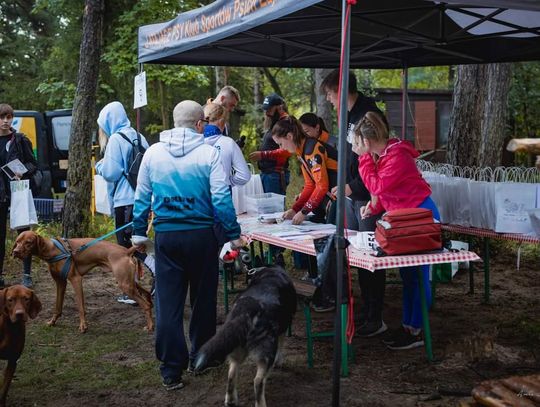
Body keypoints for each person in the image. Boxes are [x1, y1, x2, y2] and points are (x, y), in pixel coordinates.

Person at [131, 100, 246, 391]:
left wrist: (138, 234)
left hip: (168, 236)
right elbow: (221, 199)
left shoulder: (154, 153)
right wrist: (233, 234)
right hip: (202, 235)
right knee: (203, 299)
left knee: (168, 303)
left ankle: (171, 370)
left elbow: (142, 197)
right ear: (199, 125)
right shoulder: (209, 153)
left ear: (173, 121)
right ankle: (202, 355)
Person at [354, 111, 440, 350]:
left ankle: (417, 330)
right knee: (408, 277)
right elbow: (387, 192)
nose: (357, 148)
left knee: (418, 276)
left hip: (421, 217)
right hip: (404, 218)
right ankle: (408, 326)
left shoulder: (397, 155)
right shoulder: (383, 155)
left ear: (367, 142)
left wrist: (363, 160)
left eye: (358, 143)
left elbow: (377, 185)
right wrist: (373, 207)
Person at [320, 69, 387, 337]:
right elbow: (349, 156)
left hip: (368, 196)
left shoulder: (368, 113)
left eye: (329, 93)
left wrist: (352, 185)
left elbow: (374, 159)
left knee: (371, 255)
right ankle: (367, 309)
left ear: (341, 88)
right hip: (353, 194)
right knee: (359, 254)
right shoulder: (347, 115)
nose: (328, 99)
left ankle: (376, 315)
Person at [95, 101, 155, 305]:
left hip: (124, 200)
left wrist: (100, 166)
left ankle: (154, 272)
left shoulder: (115, 140)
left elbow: (111, 173)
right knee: (136, 242)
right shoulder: (139, 136)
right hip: (142, 198)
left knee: (126, 248)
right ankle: (135, 288)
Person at [271, 116, 337, 226]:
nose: (281, 148)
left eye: (280, 144)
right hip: (335, 195)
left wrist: (304, 211)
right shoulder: (301, 151)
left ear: (289, 136)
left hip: (346, 195)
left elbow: (321, 186)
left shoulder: (311, 150)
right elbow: (309, 185)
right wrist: (294, 209)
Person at [0, 103, 36, 288]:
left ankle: (27, 274)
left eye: (9, 117)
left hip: (18, 191)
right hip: (0, 194)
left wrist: (23, 172)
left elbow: (33, 164)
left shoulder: (20, 139)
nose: (5, 121)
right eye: (2, 117)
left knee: (24, 235)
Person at [250, 93, 291, 195]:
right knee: (267, 208)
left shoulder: (286, 123)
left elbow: (287, 150)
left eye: (269, 109)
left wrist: (263, 154)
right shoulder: (274, 122)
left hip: (275, 175)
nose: (267, 113)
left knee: (274, 209)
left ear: (279, 107)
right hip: (268, 174)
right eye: (265, 110)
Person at [202, 103, 250, 188]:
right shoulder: (229, 143)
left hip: (199, 195)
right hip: (222, 195)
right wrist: (228, 182)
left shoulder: (193, 141)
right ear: (221, 122)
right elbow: (244, 176)